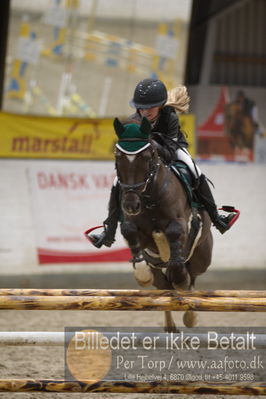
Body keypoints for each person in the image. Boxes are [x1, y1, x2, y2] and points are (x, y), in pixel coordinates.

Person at [90, 78, 236, 248]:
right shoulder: (133, 121)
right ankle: (109, 231)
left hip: (172, 149)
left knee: (195, 170)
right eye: (141, 107)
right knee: (117, 183)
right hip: (145, 158)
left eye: (150, 107)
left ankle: (217, 218)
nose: (145, 111)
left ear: (160, 105)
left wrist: (152, 145)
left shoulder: (170, 117)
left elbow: (170, 153)